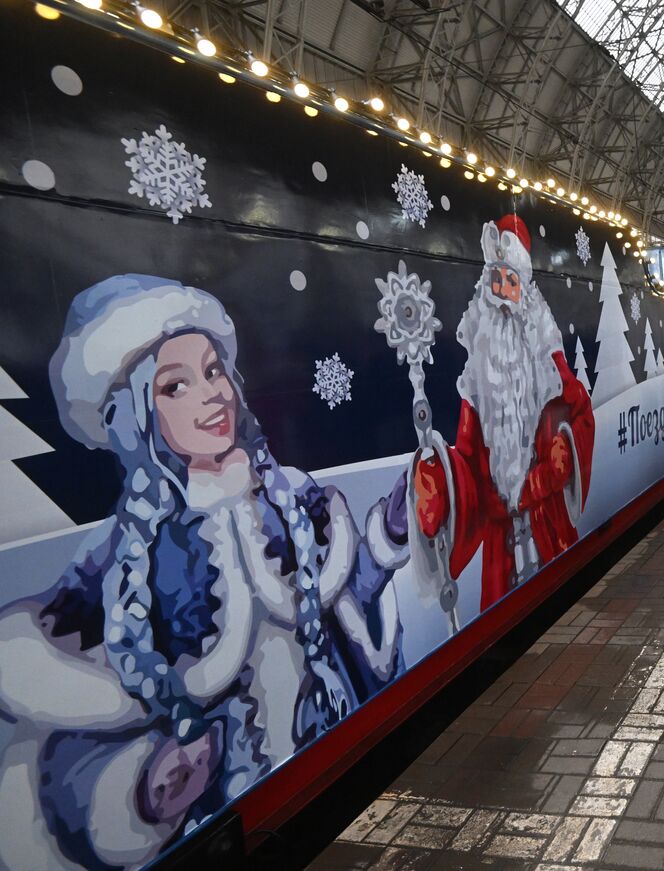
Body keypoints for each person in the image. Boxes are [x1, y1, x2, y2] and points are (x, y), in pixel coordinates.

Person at [0, 275, 409, 869]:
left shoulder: (293, 498)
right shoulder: (121, 557)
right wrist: (146, 791)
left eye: (215, 371)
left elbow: (342, 603)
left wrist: (389, 534)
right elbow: (71, 729)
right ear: (135, 416)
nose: (211, 395)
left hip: (331, 747)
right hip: (217, 805)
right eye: (176, 386)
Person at [414, 216, 596, 612]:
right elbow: (466, 467)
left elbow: (581, 412)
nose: (503, 298)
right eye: (495, 285)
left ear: (525, 290)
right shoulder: (478, 385)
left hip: (550, 525)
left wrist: (565, 448)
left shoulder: (550, 367)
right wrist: (440, 479)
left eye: (510, 284)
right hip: (502, 547)